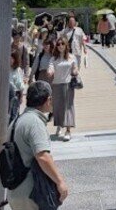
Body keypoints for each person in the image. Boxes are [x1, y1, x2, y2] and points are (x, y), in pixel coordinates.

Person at [9, 81, 70, 210]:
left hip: (16, 191)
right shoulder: (34, 122)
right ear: (48, 100)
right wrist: (60, 182)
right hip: (32, 193)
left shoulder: (17, 121)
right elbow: (42, 156)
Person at [46, 39, 79, 141]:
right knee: (58, 107)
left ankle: (68, 130)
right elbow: (50, 68)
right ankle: (59, 126)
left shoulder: (72, 57)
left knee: (68, 107)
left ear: (66, 45)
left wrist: (75, 71)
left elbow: (75, 68)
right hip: (56, 85)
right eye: (58, 44)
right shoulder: (53, 58)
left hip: (68, 85)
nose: (60, 46)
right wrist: (49, 71)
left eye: (62, 44)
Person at [10, 48, 27, 122]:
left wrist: (21, 97)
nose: (9, 60)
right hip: (6, 93)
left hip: (15, 94)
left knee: (14, 115)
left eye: (11, 59)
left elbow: (21, 86)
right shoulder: (4, 68)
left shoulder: (18, 70)